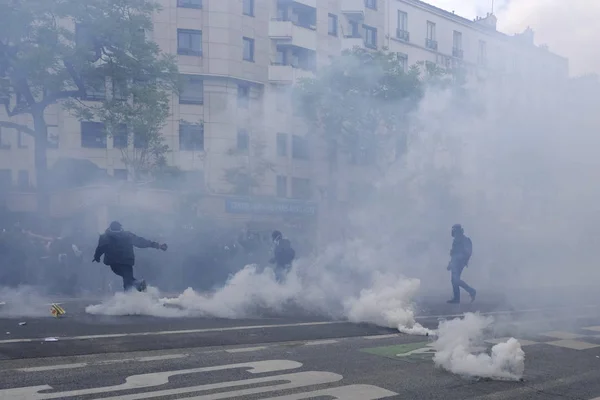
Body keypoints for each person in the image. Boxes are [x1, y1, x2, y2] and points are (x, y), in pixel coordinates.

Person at [93, 221, 167, 292]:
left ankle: (135, 288)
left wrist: (97, 257)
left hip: (114, 263)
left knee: (128, 280)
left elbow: (100, 248)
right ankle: (135, 289)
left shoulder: (105, 237)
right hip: (127, 262)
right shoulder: (128, 235)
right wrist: (157, 245)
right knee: (128, 279)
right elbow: (141, 242)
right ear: (120, 228)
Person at [447, 223, 476, 304]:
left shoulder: (465, 240)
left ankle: (471, 291)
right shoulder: (456, 241)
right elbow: (453, 254)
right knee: (454, 280)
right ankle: (457, 298)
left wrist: (463, 260)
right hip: (456, 262)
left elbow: (468, 252)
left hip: (460, 262)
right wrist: (451, 263)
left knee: (455, 280)